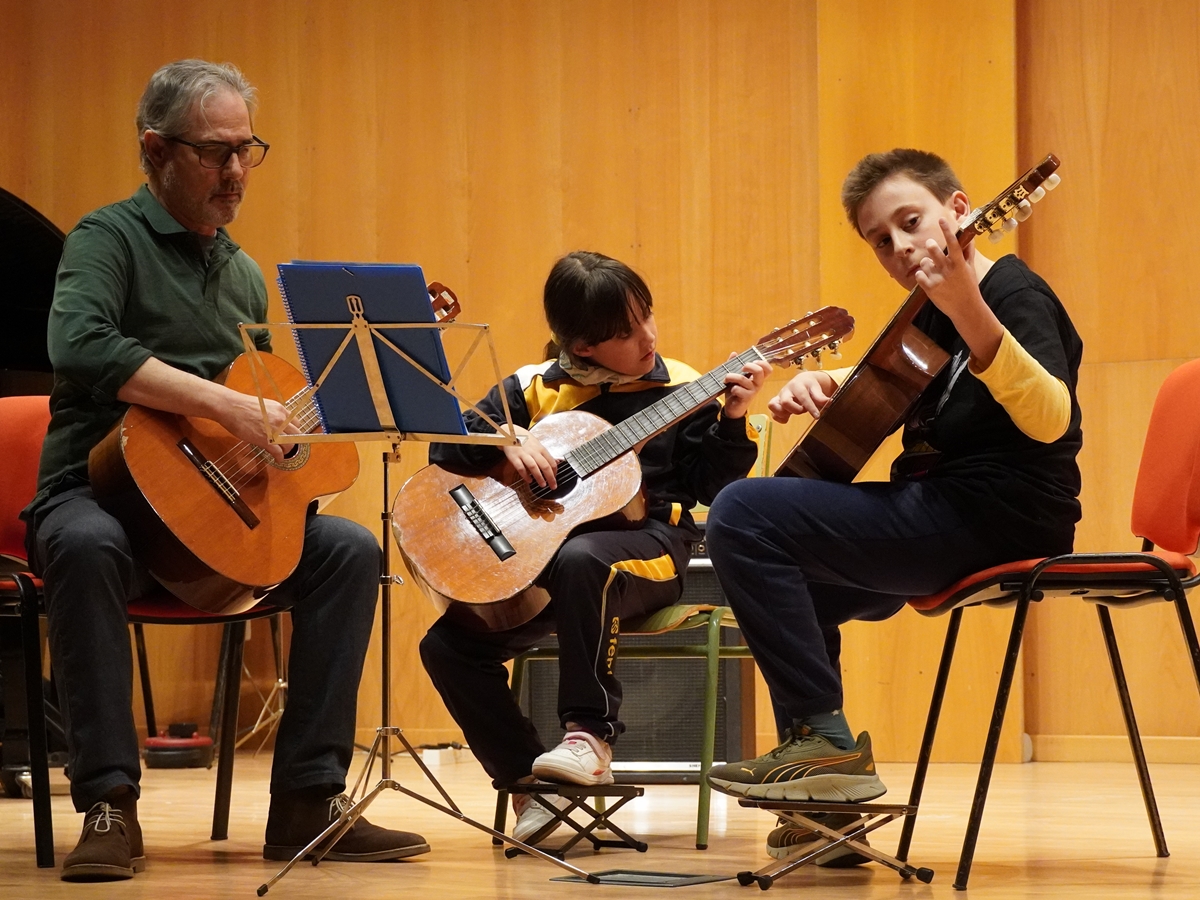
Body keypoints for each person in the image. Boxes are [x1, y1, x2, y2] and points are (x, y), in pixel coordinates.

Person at [22, 59, 429, 882]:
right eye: (216, 152)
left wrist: (288, 435)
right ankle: (108, 804)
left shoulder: (242, 272)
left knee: (348, 553)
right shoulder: (108, 239)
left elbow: (266, 404)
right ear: (156, 149)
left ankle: (306, 804)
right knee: (85, 544)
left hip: (216, 525)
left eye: (247, 149)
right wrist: (230, 407)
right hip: (101, 496)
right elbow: (79, 345)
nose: (237, 171)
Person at [703, 149, 1083, 864]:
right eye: (881, 240)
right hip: (941, 507)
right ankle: (827, 806)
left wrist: (969, 306)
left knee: (743, 512)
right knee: (792, 576)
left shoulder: (1014, 294)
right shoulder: (934, 316)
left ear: (961, 211)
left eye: (911, 222)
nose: (900, 247)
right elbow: (921, 378)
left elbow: (1051, 418)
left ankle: (825, 745)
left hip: (998, 513)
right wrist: (832, 386)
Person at [419, 250, 770, 843]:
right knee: (446, 647)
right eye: (625, 333)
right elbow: (444, 447)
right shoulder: (533, 390)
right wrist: (506, 444)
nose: (648, 338)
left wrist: (733, 418)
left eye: (647, 317)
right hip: (549, 567)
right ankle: (533, 792)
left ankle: (589, 735)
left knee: (587, 560)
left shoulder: (683, 387)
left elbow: (717, 486)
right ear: (581, 347)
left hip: (653, 548)